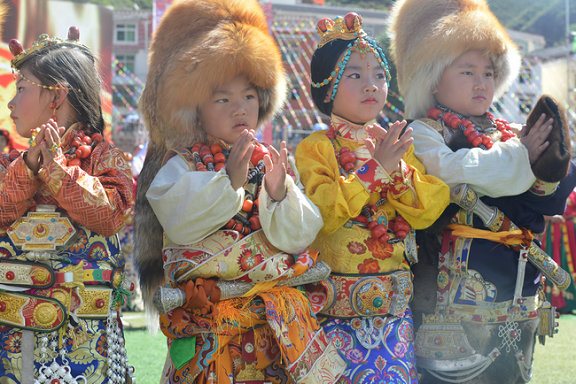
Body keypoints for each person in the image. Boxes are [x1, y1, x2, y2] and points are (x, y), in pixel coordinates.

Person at [135, 0, 346, 382]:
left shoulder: (269, 162)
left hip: (270, 335)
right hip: (209, 333)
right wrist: (228, 181)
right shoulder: (182, 164)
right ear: (196, 108)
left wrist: (281, 194)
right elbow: (180, 225)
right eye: (223, 99)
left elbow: (300, 236)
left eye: (249, 97)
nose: (240, 109)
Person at [388, 0, 576, 382]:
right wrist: (522, 155)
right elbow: (456, 171)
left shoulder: (506, 133)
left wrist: (550, 165)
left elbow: (547, 200)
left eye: (488, 72)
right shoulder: (422, 133)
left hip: (519, 293)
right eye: (467, 71)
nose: (481, 82)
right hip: (451, 299)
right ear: (434, 78)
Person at [294, 12, 450, 383]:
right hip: (333, 314)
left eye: (379, 75)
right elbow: (324, 212)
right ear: (327, 86)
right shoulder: (316, 148)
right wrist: (373, 170)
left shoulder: (394, 144)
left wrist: (396, 170)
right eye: (355, 75)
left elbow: (428, 210)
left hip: (393, 314)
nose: (372, 86)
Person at [0, 28, 134, 383]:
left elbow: (110, 214)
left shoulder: (105, 159)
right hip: (11, 334)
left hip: (85, 337)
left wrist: (56, 170)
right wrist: (29, 168)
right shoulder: (12, 164)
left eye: (22, 87)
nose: (11, 103)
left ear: (56, 94)